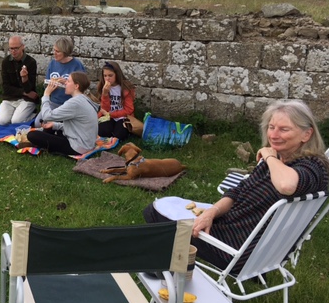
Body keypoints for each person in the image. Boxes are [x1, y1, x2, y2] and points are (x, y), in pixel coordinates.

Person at [143, 99, 329, 274]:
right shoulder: (280, 160)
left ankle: (167, 273)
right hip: (245, 239)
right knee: (172, 206)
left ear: (306, 134)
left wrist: (269, 156)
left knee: (155, 213)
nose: (273, 135)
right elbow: (238, 190)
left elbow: (286, 185)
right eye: (271, 127)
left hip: (235, 249)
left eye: (284, 129)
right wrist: (212, 212)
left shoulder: (313, 166)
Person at [27, 71, 98, 156]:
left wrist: (46, 94)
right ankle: (45, 141)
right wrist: (55, 125)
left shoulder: (75, 103)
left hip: (78, 147)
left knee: (32, 135)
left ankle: (42, 144)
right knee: (51, 126)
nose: (65, 83)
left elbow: (46, 116)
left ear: (76, 86)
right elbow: (77, 127)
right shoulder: (83, 99)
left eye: (68, 81)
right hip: (86, 143)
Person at [34, 36, 86, 127]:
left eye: (57, 51)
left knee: (65, 126)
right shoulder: (52, 63)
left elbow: (82, 88)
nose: (54, 53)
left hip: (69, 104)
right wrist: (50, 85)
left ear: (65, 52)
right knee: (38, 123)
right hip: (53, 103)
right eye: (54, 50)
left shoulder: (77, 65)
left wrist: (67, 83)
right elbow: (45, 85)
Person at [0, 35, 39, 125]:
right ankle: (17, 113)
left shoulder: (30, 62)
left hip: (26, 100)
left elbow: (30, 89)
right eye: (11, 48)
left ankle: (32, 115)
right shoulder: (6, 62)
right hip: (10, 98)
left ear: (22, 47)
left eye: (16, 48)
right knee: (1, 121)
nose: (13, 51)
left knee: (16, 121)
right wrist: (23, 92)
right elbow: (6, 87)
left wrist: (24, 79)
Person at [96, 62, 135, 140]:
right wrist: (105, 94)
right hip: (108, 115)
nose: (107, 78)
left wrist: (111, 114)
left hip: (122, 116)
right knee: (102, 131)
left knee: (120, 134)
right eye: (105, 76)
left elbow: (129, 109)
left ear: (117, 75)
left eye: (110, 75)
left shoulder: (125, 88)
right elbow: (105, 109)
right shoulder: (103, 87)